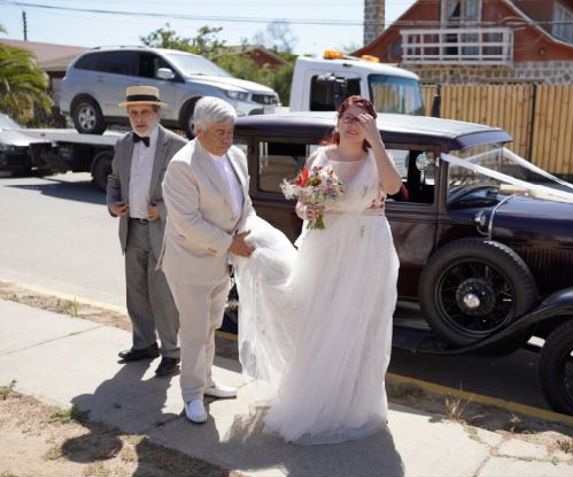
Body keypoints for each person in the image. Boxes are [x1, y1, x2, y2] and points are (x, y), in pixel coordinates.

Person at [234, 95, 402, 444]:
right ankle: (317, 399)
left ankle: (355, 407)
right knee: (322, 321)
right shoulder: (321, 156)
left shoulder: (377, 159)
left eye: (362, 120)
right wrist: (304, 211)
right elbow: (302, 202)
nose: (353, 124)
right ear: (338, 121)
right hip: (325, 248)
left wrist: (379, 142)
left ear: (372, 125)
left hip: (366, 249)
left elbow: (391, 186)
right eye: (348, 117)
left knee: (358, 325)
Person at [160, 96, 255, 424]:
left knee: (211, 326)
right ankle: (191, 395)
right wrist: (232, 244)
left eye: (231, 131)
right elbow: (188, 223)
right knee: (194, 332)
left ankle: (207, 382)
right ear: (198, 131)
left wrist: (249, 233)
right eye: (220, 132)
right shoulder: (182, 165)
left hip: (220, 263)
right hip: (190, 262)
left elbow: (246, 203)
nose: (228, 138)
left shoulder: (237, 157)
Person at [106, 85, 186, 377]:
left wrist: (163, 209)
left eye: (144, 112)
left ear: (157, 113)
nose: (138, 119)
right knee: (136, 291)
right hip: (132, 229)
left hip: (163, 231)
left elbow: (188, 192)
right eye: (133, 113)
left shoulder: (177, 145)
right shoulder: (123, 144)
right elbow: (114, 179)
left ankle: (171, 351)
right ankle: (143, 344)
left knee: (163, 294)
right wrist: (112, 203)